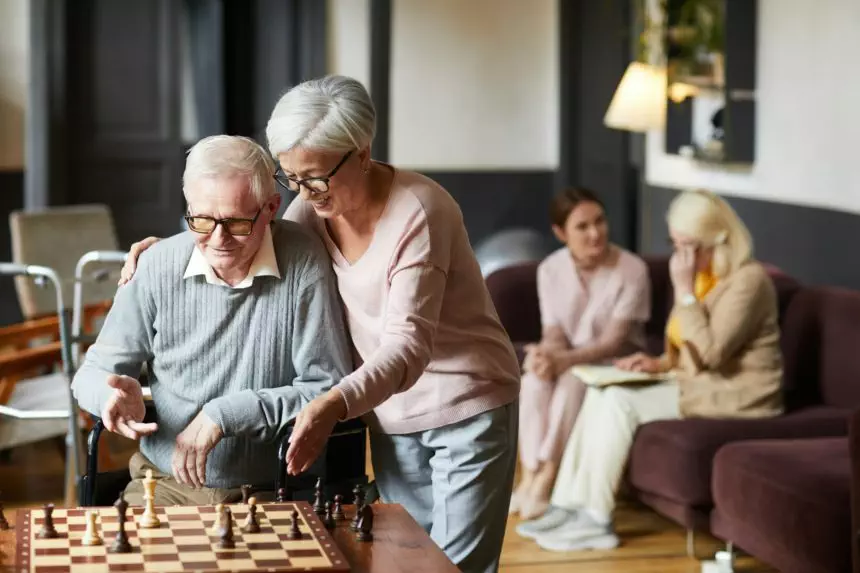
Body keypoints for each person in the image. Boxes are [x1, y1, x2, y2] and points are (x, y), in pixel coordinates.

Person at [118, 75, 520, 573]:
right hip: (388, 409)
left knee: (457, 567)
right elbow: (254, 236)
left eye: (315, 177)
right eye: (291, 178)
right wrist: (168, 250)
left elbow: (408, 347)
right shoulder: (312, 210)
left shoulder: (420, 211)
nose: (304, 192)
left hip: (464, 404)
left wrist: (332, 402)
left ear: (361, 152)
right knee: (407, 557)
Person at [72, 135, 352, 506]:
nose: (218, 239)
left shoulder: (303, 261)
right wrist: (109, 397)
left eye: (237, 223)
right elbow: (89, 375)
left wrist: (226, 414)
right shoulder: (155, 265)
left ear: (271, 207)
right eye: (201, 220)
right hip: (164, 484)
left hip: (274, 488)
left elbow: (327, 388)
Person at [516, 188, 783, 552]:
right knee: (601, 391)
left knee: (619, 402)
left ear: (715, 240)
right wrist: (658, 364)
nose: (680, 257)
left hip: (738, 394)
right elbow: (687, 348)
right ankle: (569, 505)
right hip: (697, 382)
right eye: (676, 246)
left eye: (687, 246)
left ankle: (595, 518)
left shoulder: (748, 281)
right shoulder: (705, 278)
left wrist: (684, 291)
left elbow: (712, 353)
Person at [512, 187, 650, 520]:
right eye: (582, 226)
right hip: (570, 360)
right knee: (532, 382)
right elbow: (554, 333)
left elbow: (613, 342)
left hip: (615, 363)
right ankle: (528, 474)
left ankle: (547, 475)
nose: (595, 233)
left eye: (600, 222)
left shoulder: (632, 269)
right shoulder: (550, 270)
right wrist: (545, 357)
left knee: (572, 382)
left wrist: (561, 361)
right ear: (561, 233)